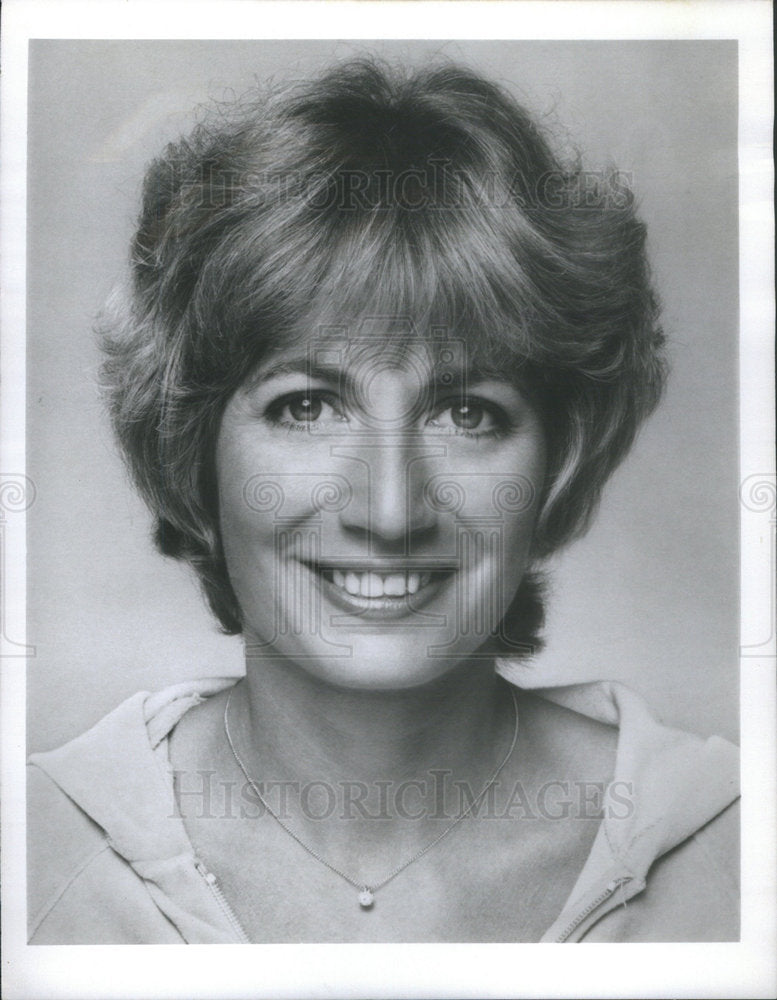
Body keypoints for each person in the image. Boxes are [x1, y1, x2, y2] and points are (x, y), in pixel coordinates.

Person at [27, 59, 739, 944]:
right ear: (190, 446)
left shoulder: (737, 855)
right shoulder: (35, 856)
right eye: (307, 407)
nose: (392, 510)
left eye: (468, 413)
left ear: (561, 458)